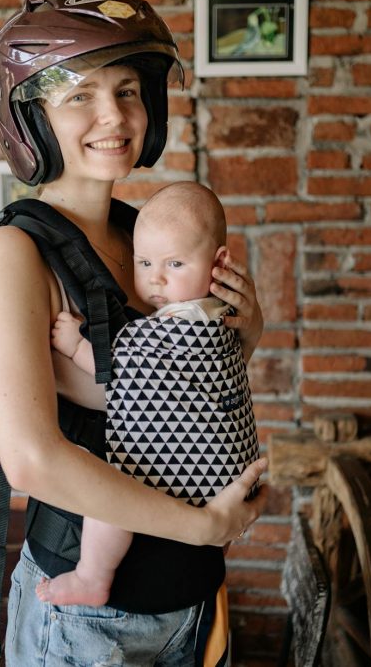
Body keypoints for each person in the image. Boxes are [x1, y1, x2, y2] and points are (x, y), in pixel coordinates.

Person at [0, 0, 268, 664]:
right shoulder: (14, 253)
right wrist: (203, 525)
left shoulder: (149, 234)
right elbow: (32, 459)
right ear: (31, 117)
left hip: (192, 599)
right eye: (80, 94)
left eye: (128, 90)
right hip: (89, 624)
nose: (114, 114)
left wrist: (246, 333)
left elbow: (183, 395)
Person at [37, 180, 260, 608]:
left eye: (174, 263)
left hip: (197, 472)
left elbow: (119, 369)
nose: (156, 278)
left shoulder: (176, 328)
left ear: (218, 263)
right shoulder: (224, 313)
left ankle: (91, 576)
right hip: (228, 471)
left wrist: (74, 344)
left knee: (110, 496)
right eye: (143, 262)